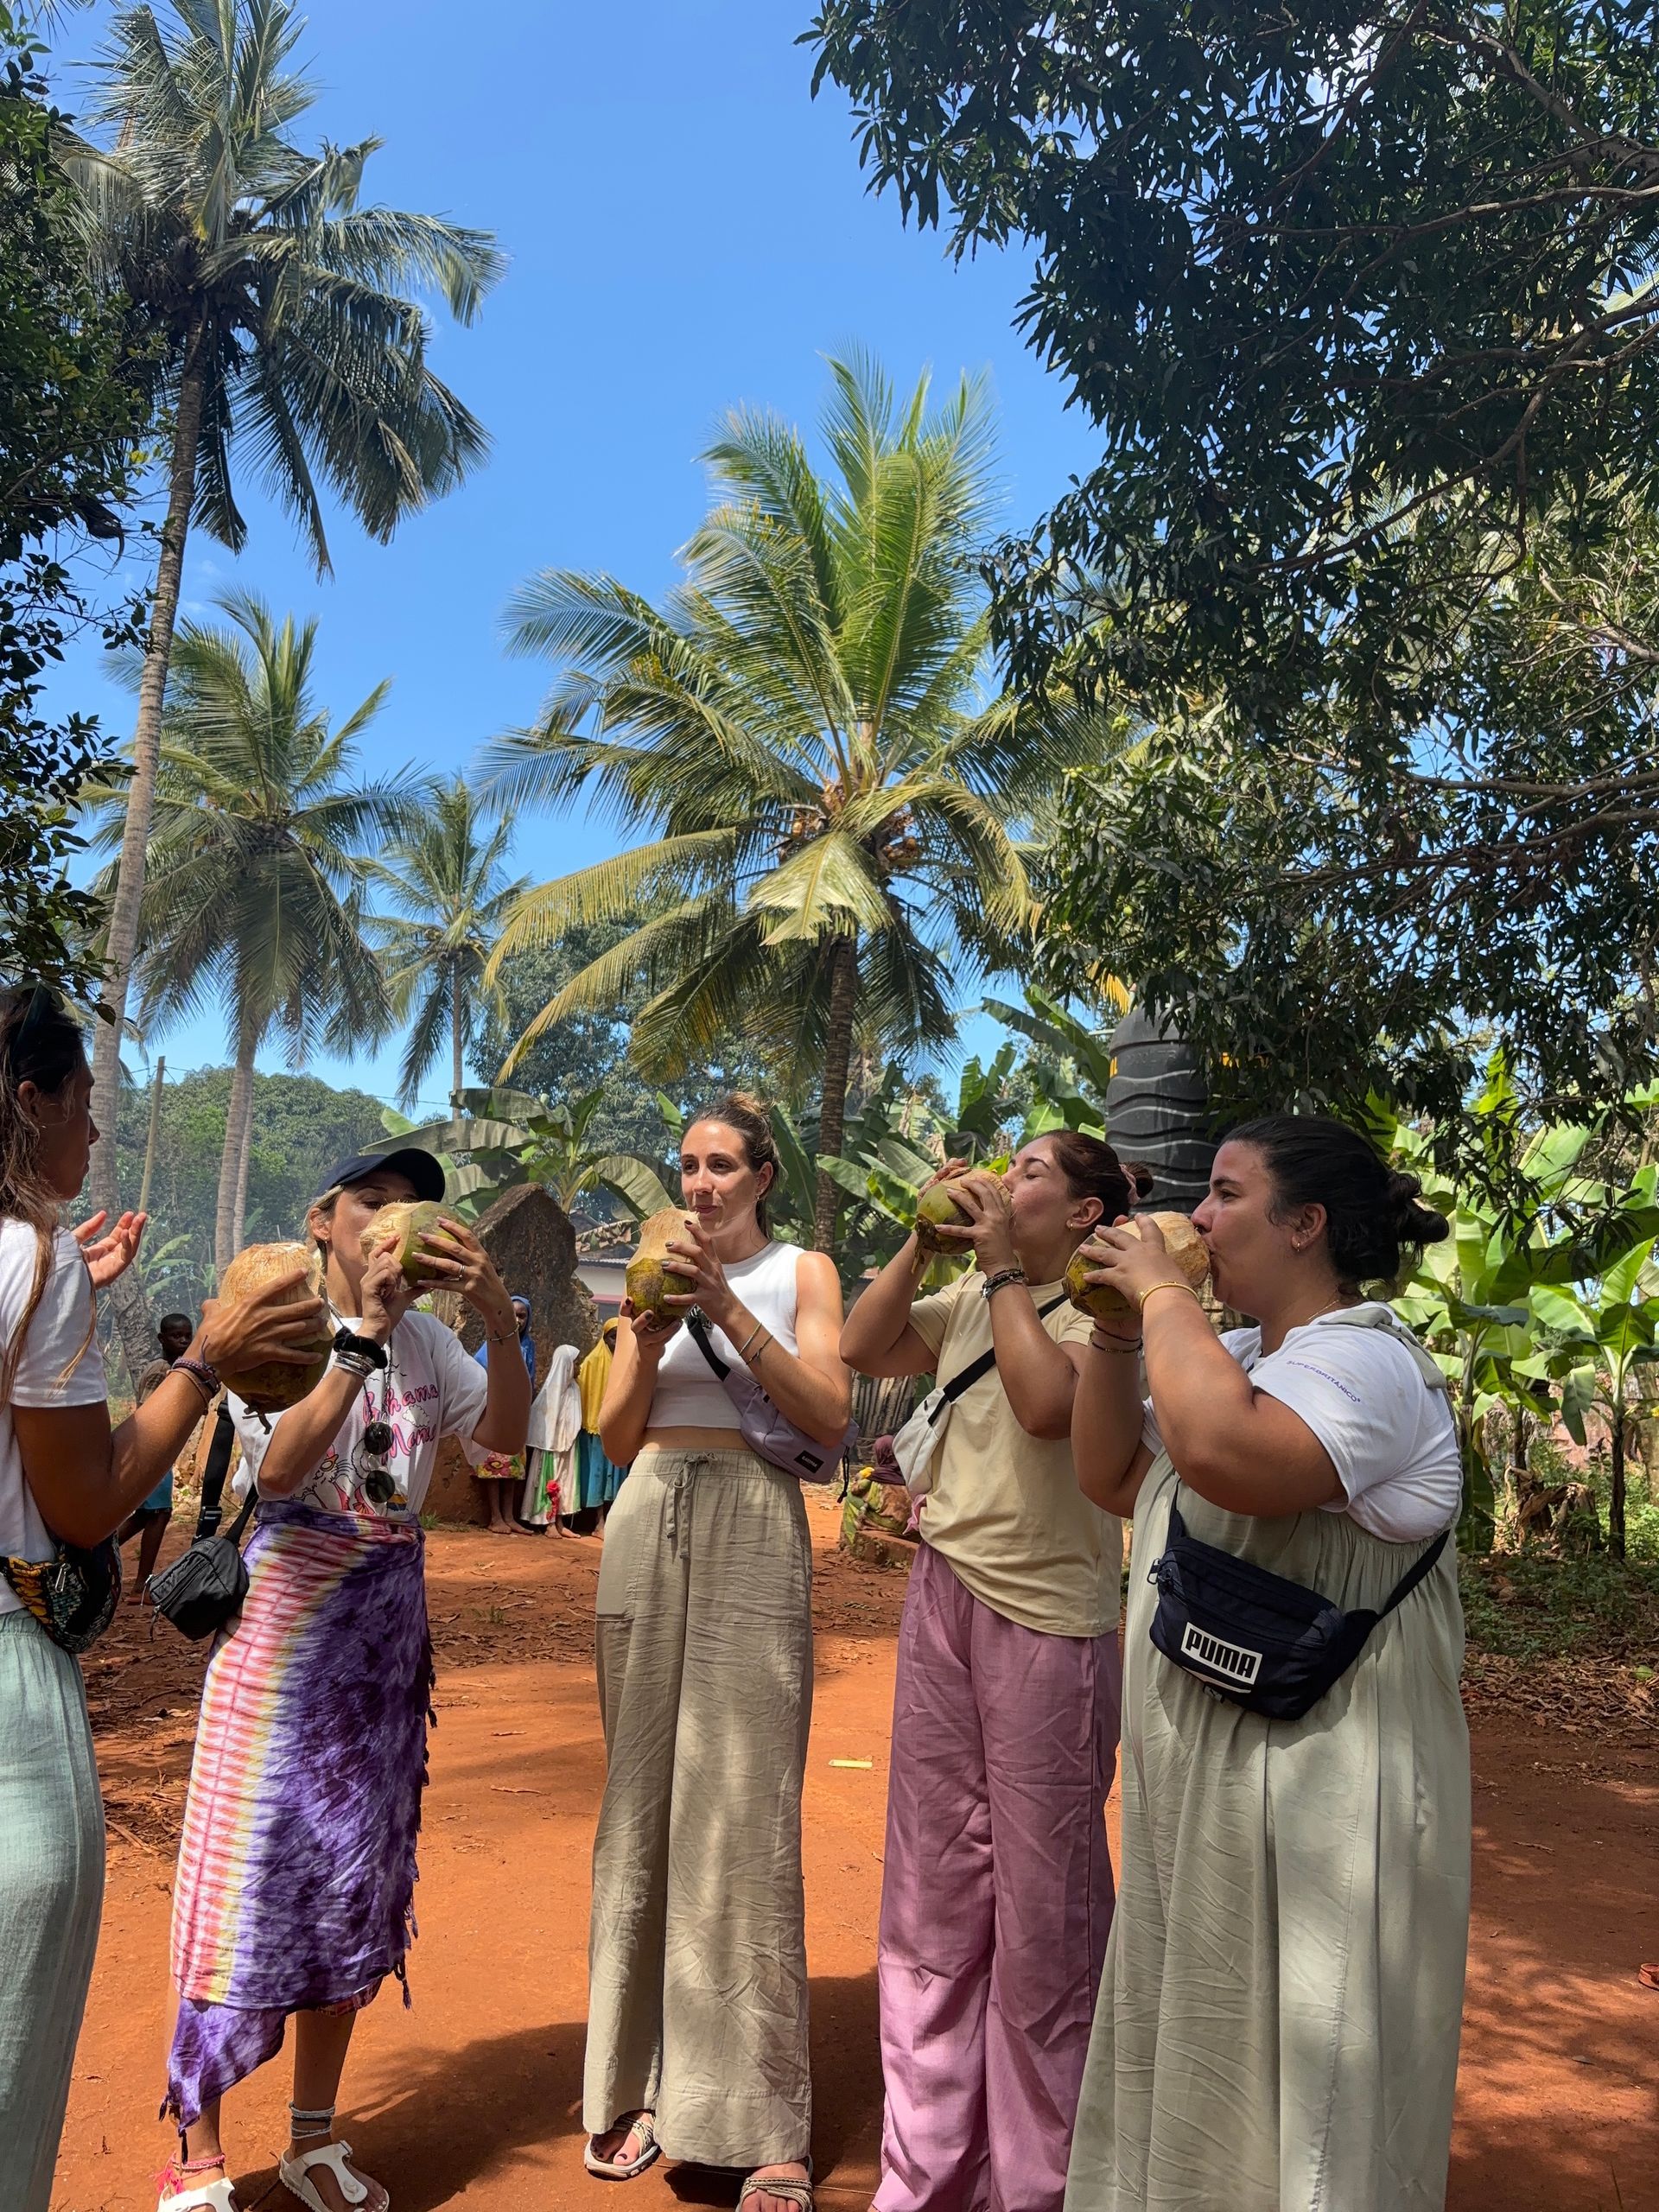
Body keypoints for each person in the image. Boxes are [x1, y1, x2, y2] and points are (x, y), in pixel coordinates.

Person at [1064, 1115, 1470, 2212]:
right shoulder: (1234, 1352)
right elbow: (1109, 1472)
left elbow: (1227, 1451)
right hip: (1214, 1762)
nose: (1195, 1218)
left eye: (1228, 1195)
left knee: (1311, 2036)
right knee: (1202, 2014)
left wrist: (1159, 1295)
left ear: (1306, 1225)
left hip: (1322, 1777)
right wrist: (1113, 1330)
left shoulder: (1372, 1361)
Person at [158, 1148, 531, 2212]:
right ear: (326, 1219)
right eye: (374, 1200)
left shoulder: (432, 1338)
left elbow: (501, 1443)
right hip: (280, 1633)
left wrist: (502, 1319)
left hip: (379, 1643)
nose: (395, 1220)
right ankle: (195, 2144)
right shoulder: (274, 1316)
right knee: (241, 1880)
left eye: (411, 1205)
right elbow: (278, 1471)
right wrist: (359, 1335)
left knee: (347, 1884)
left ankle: (311, 2137)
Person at [0, 982, 321, 2212]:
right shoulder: (32, 1261)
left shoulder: (40, 1266)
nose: (94, 1137)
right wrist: (207, 1358)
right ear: (31, 1102)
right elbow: (87, 1502)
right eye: (84, 1107)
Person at [839, 1135, 1141, 2212]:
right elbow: (862, 1346)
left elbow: (1046, 1408)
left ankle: (1041, 2184)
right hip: (944, 1601)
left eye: (1029, 1179)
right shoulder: (972, 1292)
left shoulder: (1111, 1316)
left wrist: (1004, 1267)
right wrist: (923, 1246)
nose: (1003, 1188)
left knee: (1046, 1919)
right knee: (930, 1897)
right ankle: (923, 2176)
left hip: (1053, 1625)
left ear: (1086, 1216)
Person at [583, 1096, 849, 2212]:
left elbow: (828, 1411)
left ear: (764, 1174)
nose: (699, 1184)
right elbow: (613, 1436)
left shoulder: (805, 1272)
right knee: (639, 1809)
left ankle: (757, 2119)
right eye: (686, 1166)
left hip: (754, 1524)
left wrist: (730, 1312)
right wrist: (642, 1333)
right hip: (647, 1521)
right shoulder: (640, 1271)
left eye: (722, 1165)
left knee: (745, 1817)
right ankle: (641, 2085)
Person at [118, 1310, 196, 1598]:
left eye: (188, 1335)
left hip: (160, 1448)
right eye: (177, 1336)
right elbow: (151, 1413)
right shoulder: (161, 1371)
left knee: (146, 1515)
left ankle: (94, 1557)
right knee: (159, 1513)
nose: (184, 1341)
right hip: (151, 1446)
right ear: (162, 1338)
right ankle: (141, 1583)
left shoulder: (177, 1369)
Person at [466, 1292, 537, 1532]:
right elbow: (478, 1371)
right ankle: (495, 1517)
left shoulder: (528, 1346)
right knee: (493, 1469)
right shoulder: (492, 1343)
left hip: (516, 1414)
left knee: (514, 1470)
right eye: (513, 1315)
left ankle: (509, 1517)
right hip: (495, 1411)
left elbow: (530, 1378)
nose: (517, 1320)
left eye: (522, 1316)